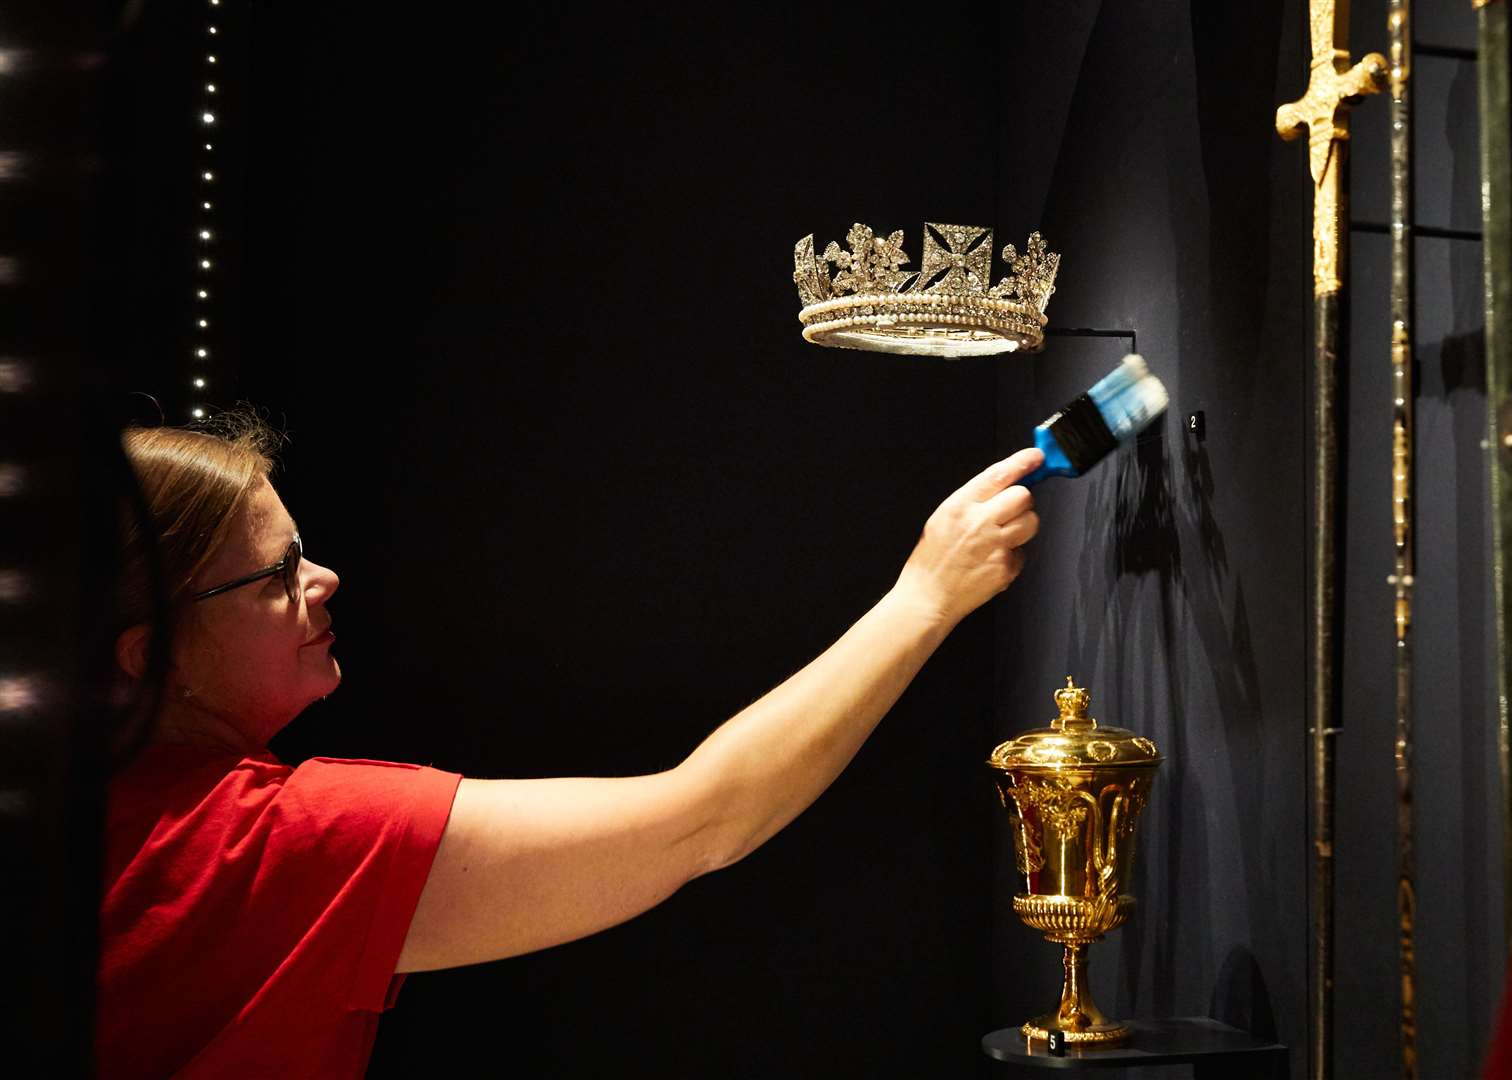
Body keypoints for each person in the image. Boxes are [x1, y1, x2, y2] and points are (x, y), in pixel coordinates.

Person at [98, 410, 1043, 1078]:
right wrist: (926, 596)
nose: (327, 580)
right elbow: (699, 820)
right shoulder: (272, 843)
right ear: (150, 655)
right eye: (277, 574)